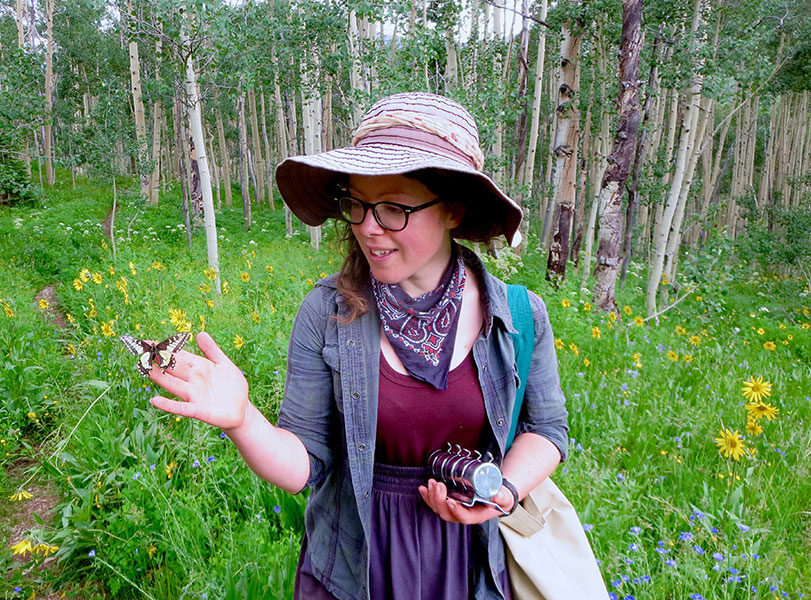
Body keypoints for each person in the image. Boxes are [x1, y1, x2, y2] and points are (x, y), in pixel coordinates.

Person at [148, 92, 569, 600]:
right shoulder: (327, 313)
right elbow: (304, 464)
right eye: (358, 204)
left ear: (453, 211)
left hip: (469, 566)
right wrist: (244, 420)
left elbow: (545, 429)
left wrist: (501, 491)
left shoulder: (519, 318)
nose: (369, 227)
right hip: (353, 567)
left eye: (394, 207)